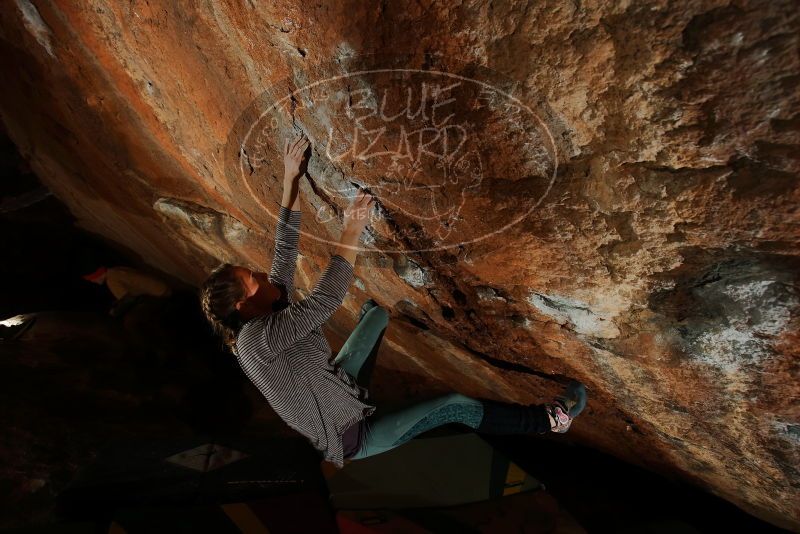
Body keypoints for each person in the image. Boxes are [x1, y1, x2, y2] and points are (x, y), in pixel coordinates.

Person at [199, 133, 588, 469]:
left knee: (377, 317)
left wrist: (291, 175)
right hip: (352, 436)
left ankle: (359, 361)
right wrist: (351, 227)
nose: (263, 275)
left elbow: (285, 248)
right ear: (241, 305)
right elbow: (325, 300)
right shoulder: (255, 343)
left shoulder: (267, 306)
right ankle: (549, 420)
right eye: (253, 279)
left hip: (341, 387)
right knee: (452, 405)